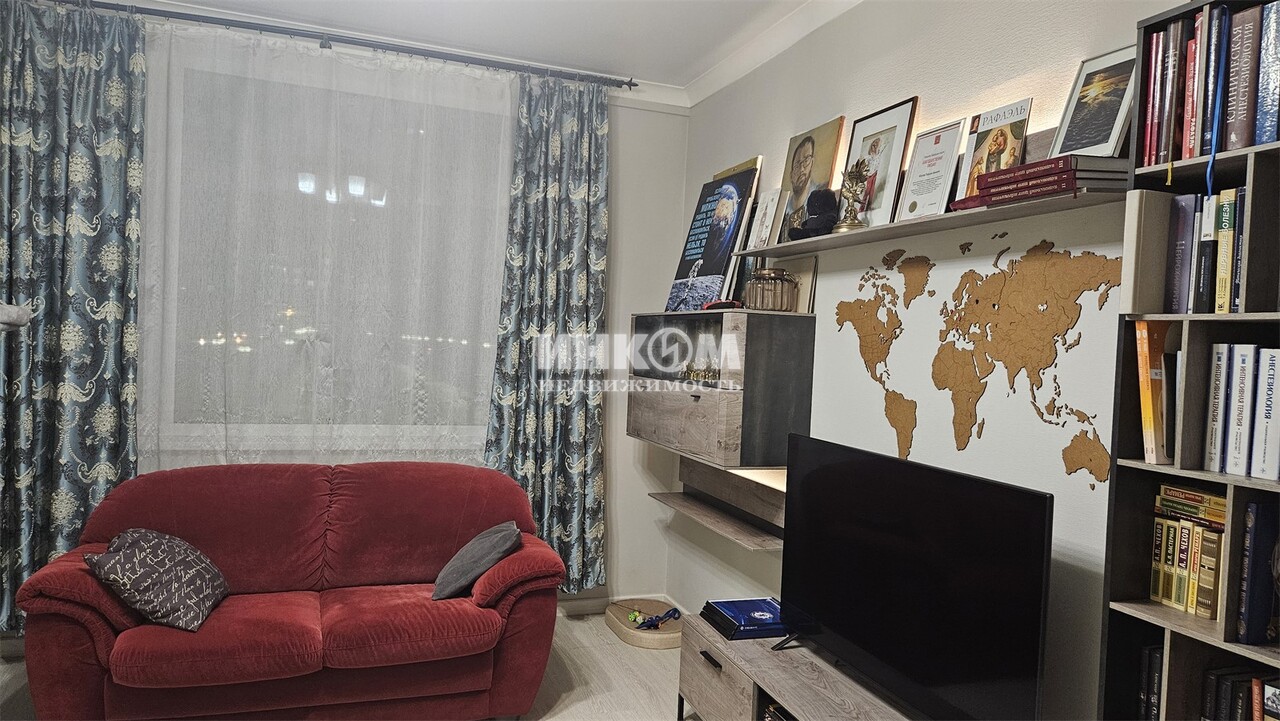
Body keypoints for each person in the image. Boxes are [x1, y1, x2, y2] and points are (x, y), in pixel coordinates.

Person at [777, 135, 822, 243]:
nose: (802, 169)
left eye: (806, 160)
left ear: (812, 163)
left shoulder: (821, 196)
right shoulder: (782, 210)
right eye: (797, 165)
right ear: (791, 174)